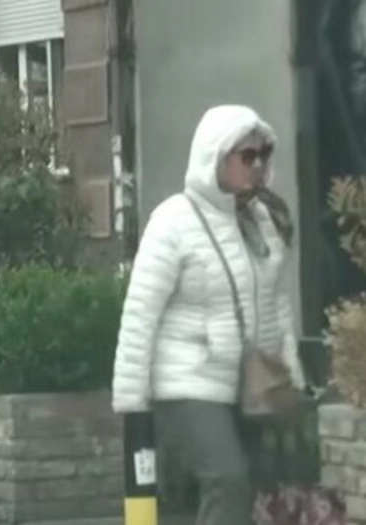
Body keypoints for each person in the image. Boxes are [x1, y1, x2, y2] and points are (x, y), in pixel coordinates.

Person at [111, 105, 306, 525]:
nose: (258, 165)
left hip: (249, 382)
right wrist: (131, 399)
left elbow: (277, 304)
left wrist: (292, 373)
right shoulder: (173, 221)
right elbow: (141, 311)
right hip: (188, 380)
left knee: (254, 486)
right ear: (215, 157)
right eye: (247, 156)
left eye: (263, 155)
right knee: (227, 478)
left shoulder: (262, 221)